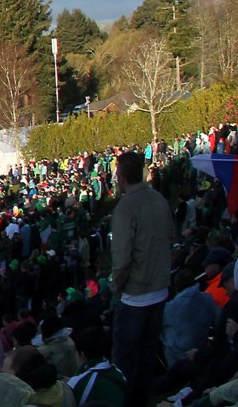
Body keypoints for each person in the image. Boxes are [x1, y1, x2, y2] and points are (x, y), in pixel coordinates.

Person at [110, 150, 173, 407]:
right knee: (147, 354)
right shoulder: (159, 200)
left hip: (135, 295)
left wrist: (115, 286)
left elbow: (122, 258)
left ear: (121, 176)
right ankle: (141, 400)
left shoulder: (125, 207)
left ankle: (124, 402)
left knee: (124, 358)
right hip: (160, 289)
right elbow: (171, 236)